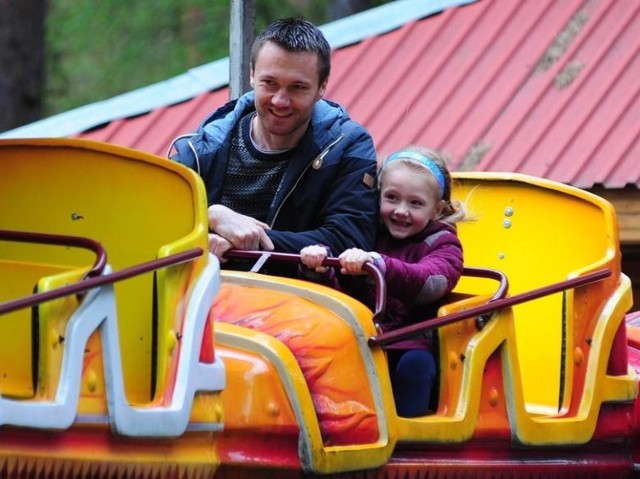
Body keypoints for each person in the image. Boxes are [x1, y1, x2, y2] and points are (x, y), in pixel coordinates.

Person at [169, 17, 378, 267]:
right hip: (202, 300)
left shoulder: (348, 145)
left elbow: (349, 240)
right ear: (252, 74)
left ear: (322, 86)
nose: (280, 100)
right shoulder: (200, 149)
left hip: (302, 300)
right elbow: (156, 222)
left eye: (297, 87)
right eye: (270, 83)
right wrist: (211, 215)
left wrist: (249, 242)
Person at [300, 145, 465, 417]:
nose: (401, 210)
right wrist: (319, 267)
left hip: (409, 344)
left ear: (438, 210)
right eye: (392, 198)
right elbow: (344, 288)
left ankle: (409, 435)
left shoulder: (444, 244)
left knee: (416, 365)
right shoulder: (366, 233)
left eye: (415, 203)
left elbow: (430, 282)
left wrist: (379, 265)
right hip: (361, 340)